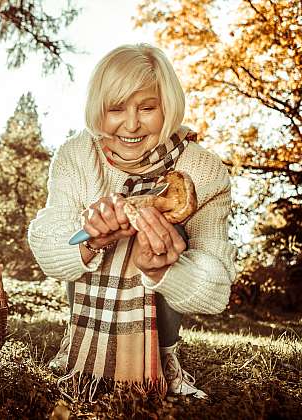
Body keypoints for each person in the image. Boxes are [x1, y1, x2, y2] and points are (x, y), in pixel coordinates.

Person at [28, 44, 235, 400]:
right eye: (117, 108)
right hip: (86, 302)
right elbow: (48, 243)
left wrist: (166, 270)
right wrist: (90, 240)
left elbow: (217, 290)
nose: (132, 124)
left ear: (167, 107)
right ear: (99, 110)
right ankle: (76, 345)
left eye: (147, 107)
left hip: (162, 306)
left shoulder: (204, 170)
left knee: (175, 231)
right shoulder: (77, 154)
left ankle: (165, 358)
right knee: (83, 230)